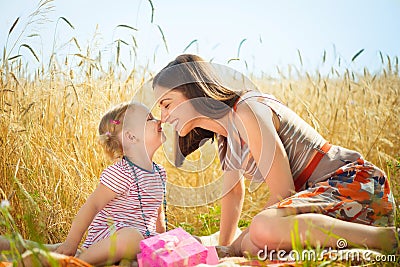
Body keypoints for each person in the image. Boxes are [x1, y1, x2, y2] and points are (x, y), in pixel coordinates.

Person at [152, 54, 397, 257]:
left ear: (193, 93)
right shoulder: (225, 135)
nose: (163, 117)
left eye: (167, 103)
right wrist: (223, 250)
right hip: (317, 202)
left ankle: (387, 239)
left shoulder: (247, 111)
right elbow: (233, 194)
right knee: (251, 242)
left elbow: (284, 193)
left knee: (261, 228)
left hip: (354, 186)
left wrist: (236, 245)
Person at [54, 102, 168, 265]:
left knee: (181, 240)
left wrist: (163, 237)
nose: (158, 120)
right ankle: (79, 262)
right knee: (132, 237)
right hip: (110, 237)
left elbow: (157, 213)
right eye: (149, 119)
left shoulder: (159, 172)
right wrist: (70, 243)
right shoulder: (121, 172)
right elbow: (92, 205)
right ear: (131, 137)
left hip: (141, 238)